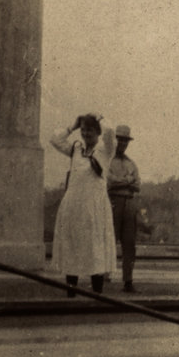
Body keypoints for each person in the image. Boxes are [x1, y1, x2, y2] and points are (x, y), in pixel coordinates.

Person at [51, 114, 117, 296]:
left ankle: (97, 294)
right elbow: (55, 139)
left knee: (94, 246)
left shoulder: (106, 150)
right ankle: (70, 293)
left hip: (94, 206)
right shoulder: (76, 149)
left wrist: (100, 117)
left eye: (90, 130)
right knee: (72, 245)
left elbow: (111, 132)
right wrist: (72, 126)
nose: (86, 133)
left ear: (97, 132)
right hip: (73, 204)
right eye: (84, 130)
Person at [108, 125, 140, 293]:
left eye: (125, 140)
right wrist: (127, 181)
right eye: (119, 139)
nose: (122, 143)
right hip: (112, 202)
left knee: (129, 243)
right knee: (108, 240)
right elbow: (108, 182)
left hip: (129, 203)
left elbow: (138, 185)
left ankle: (128, 280)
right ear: (114, 140)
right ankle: (103, 277)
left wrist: (122, 182)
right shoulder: (107, 159)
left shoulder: (130, 162)